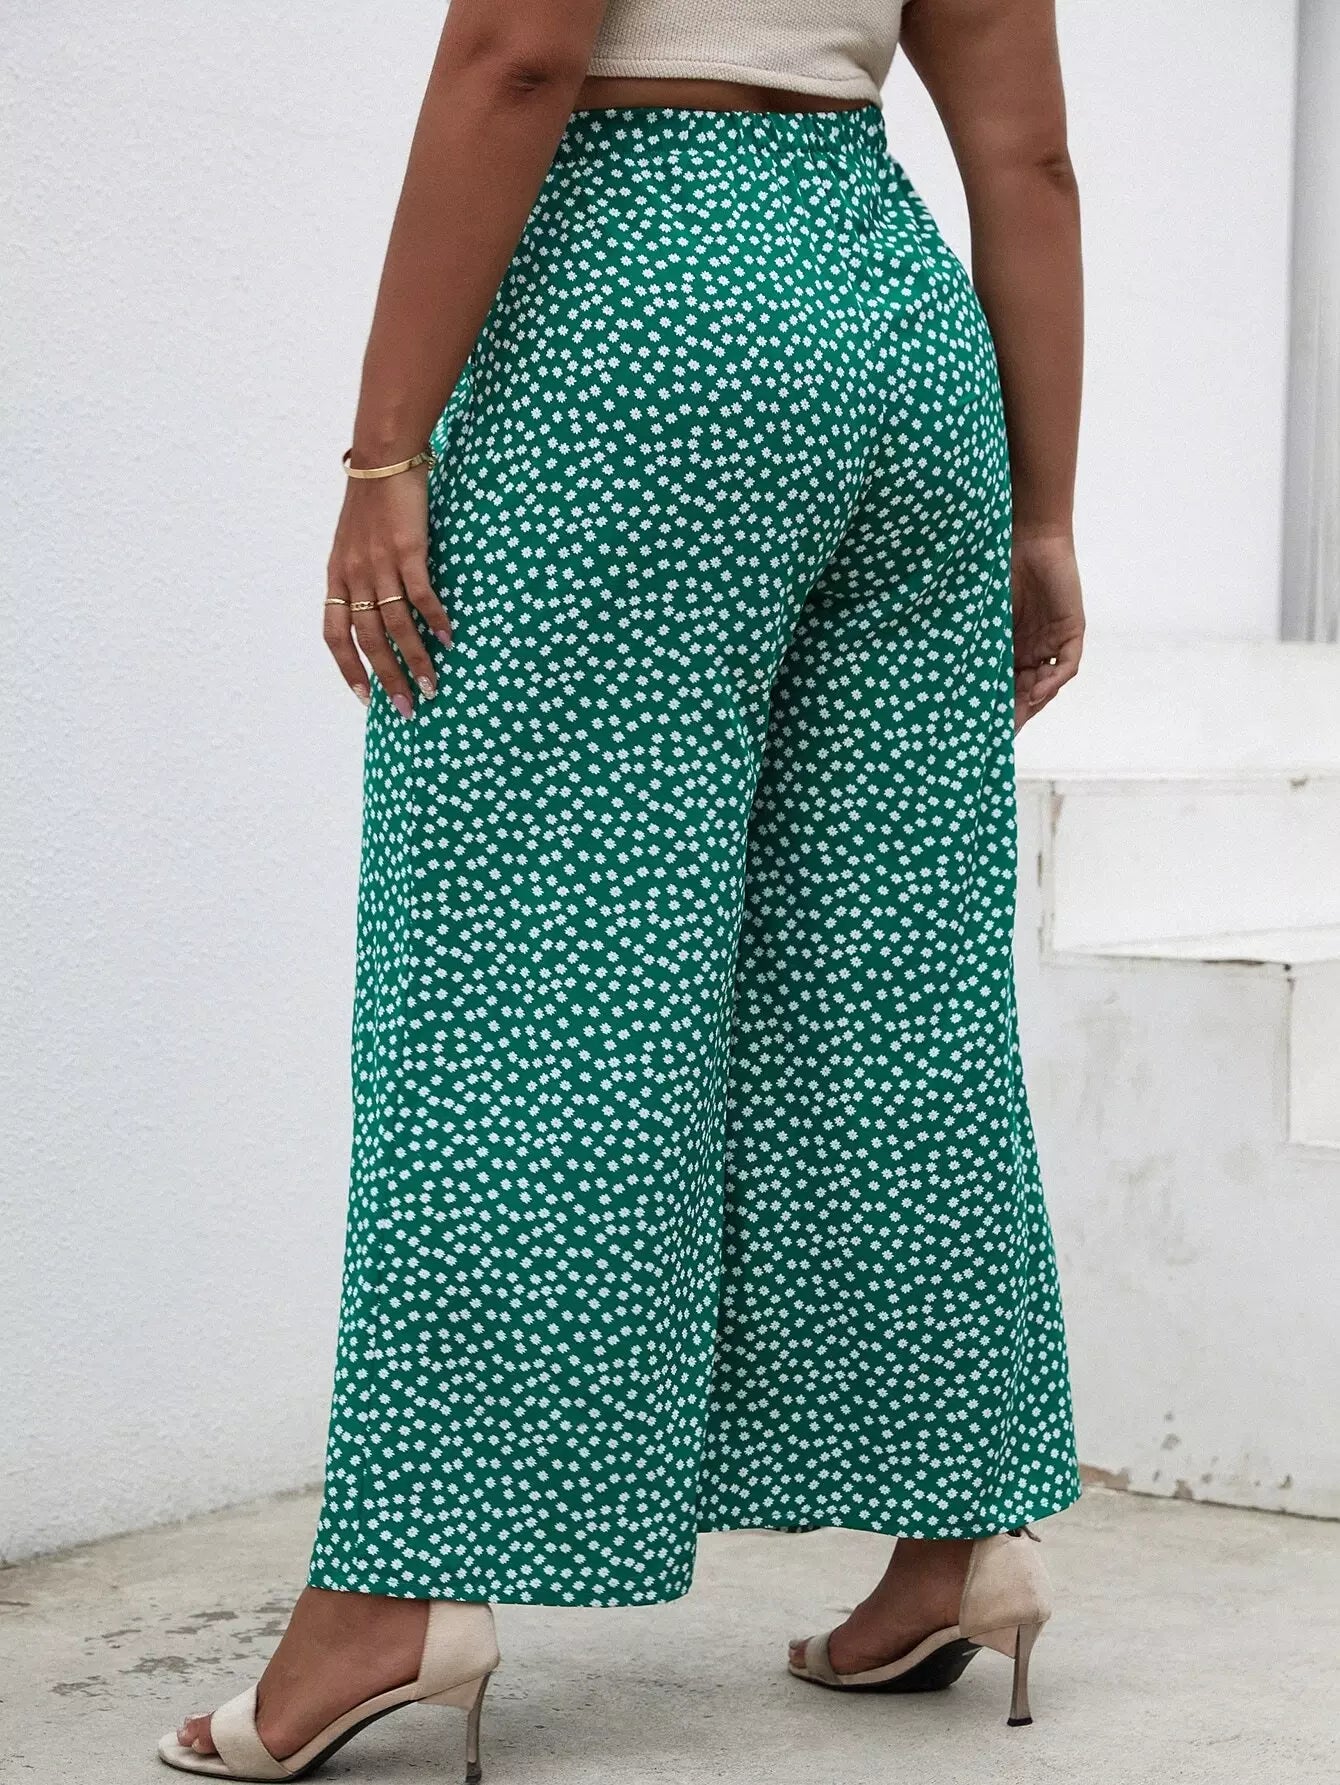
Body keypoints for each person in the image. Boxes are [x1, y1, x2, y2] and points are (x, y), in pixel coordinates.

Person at [160, 0, 1084, 1775]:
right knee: (891, 979)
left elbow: (518, 50)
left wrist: (382, 451)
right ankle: (964, 1531)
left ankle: (393, 1591)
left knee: (523, 973)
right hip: (899, 339)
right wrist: (1042, 512)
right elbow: (1028, 158)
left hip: (636, 322)